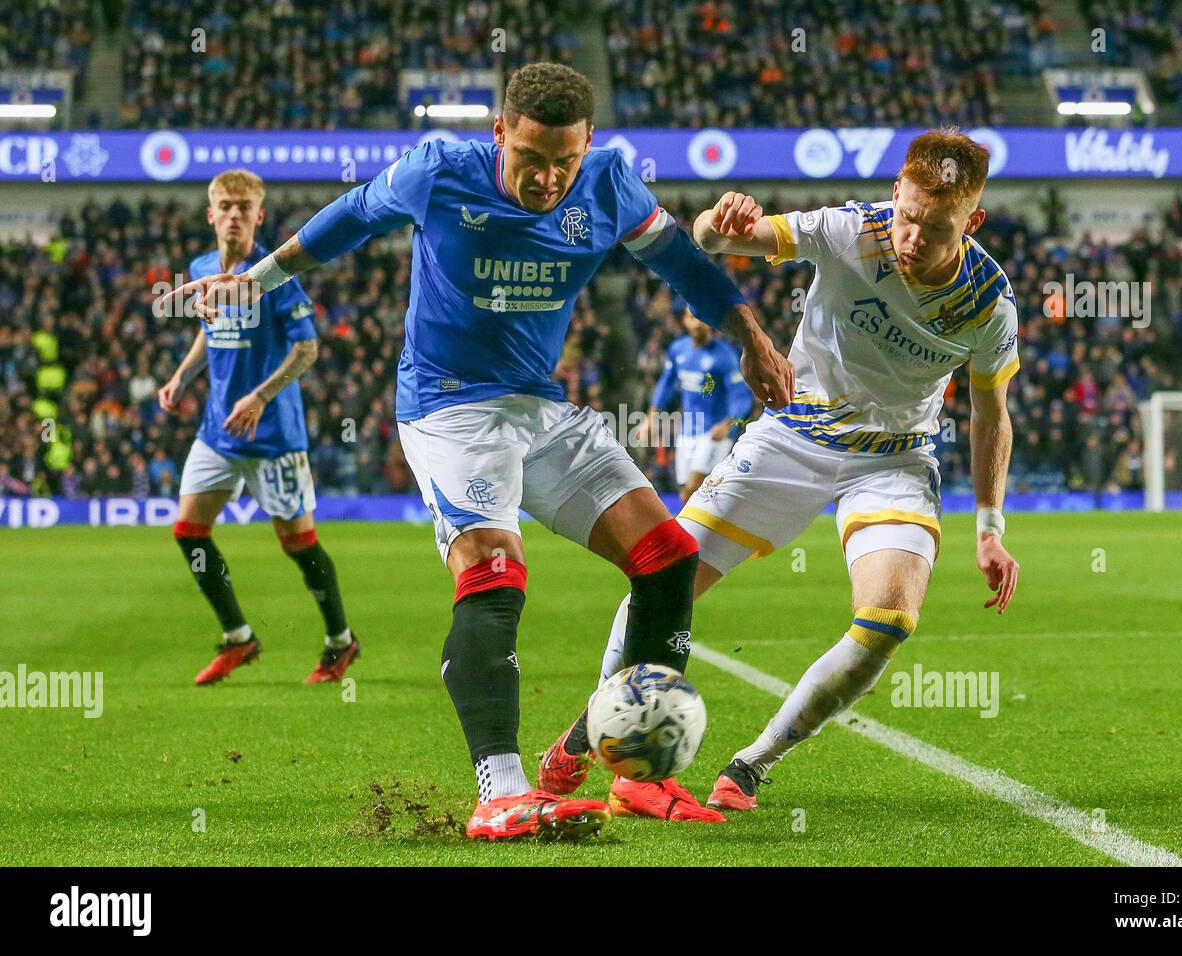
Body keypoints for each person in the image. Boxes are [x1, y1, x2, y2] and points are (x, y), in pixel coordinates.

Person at [165, 64, 792, 841]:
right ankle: (501, 789)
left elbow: (683, 265)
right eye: (531, 158)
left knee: (666, 560)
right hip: (449, 405)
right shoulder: (439, 171)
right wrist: (255, 281)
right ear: (500, 133)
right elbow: (350, 218)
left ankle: (639, 778)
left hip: (543, 406)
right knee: (494, 569)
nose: (548, 178)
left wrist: (751, 336)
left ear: (589, 143)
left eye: (564, 161)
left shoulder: (608, 184)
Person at [542, 127, 1021, 818]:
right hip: (791, 439)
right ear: (896, 195)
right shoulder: (851, 230)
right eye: (909, 217)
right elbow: (713, 242)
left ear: (971, 221)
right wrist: (718, 221)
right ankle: (595, 732)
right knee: (665, 574)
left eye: (937, 228)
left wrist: (990, 528)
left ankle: (751, 766)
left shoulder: (989, 302)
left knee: (888, 618)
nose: (913, 238)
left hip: (893, 460)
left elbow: (991, 411)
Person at [159, 169, 359, 687]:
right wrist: (181, 377)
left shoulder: (274, 274)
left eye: (243, 207)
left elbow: (307, 348)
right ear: (210, 214)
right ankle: (238, 637)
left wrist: (260, 395)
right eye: (224, 205)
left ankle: (341, 640)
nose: (233, 214)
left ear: (258, 215)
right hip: (217, 432)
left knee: (298, 544)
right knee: (188, 531)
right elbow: (210, 332)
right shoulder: (202, 268)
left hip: (273, 437)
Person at [639, 308, 754, 501]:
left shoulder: (724, 355)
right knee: (686, 495)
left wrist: (728, 424)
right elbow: (665, 384)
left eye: (700, 318)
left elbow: (741, 396)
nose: (695, 323)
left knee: (694, 489)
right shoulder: (678, 349)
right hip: (687, 432)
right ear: (684, 320)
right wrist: (649, 419)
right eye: (690, 318)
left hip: (713, 433)